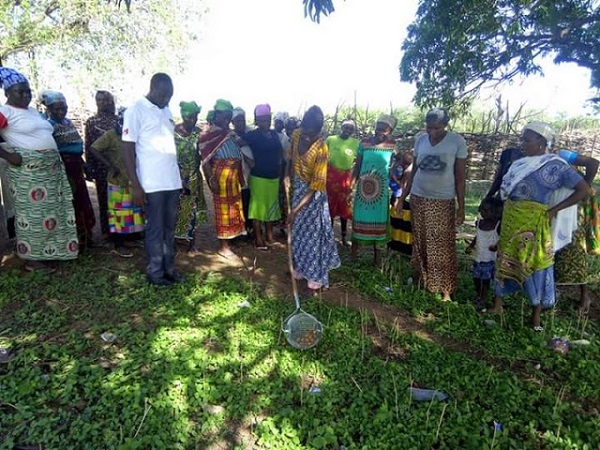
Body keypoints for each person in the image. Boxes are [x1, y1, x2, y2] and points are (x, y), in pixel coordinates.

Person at [488, 121, 589, 330]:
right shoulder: (519, 164)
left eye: (527, 139)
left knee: (536, 262)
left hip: (535, 221)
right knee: (505, 258)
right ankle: (497, 304)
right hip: (512, 217)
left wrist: (553, 210)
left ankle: (536, 313)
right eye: (523, 139)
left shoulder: (556, 164)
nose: (523, 143)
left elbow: (583, 190)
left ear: (542, 142)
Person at [0, 67, 78, 272]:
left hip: (50, 172)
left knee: (51, 212)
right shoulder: (4, 111)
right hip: (28, 173)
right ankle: (32, 259)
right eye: (20, 91)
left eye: (28, 91)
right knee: (32, 215)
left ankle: (52, 252)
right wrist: (8, 156)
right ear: (7, 93)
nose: (26, 95)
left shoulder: (33, 112)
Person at [122, 73, 183, 286]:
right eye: (164, 95)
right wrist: (135, 185)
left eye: (170, 97)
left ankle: (169, 268)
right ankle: (155, 273)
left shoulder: (165, 110)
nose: (167, 100)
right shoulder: (135, 110)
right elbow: (128, 150)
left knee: (169, 229)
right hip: (152, 183)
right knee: (155, 230)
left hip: (172, 182)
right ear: (153, 88)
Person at [405, 108, 467, 301]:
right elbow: (413, 171)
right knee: (421, 240)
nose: (431, 131)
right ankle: (421, 279)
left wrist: (462, 207)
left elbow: (460, 177)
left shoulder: (456, 142)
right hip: (418, 196)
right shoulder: (421, 140)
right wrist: (402, 198)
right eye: (428, 127)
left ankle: (446, 289)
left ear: (445, 125)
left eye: (436, 127)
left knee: (441, 243)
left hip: (442, 200)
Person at [287, 105, 340, 292]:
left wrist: (295, 210)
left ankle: (315, 274)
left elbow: (315, 186)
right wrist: (287, 177)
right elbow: (290, 160)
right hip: (297, 189)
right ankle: (300, 267)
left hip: (313, 197)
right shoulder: (295, 135)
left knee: (313, 234)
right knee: (299, 233)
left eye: (313, 134)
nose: (308, 137)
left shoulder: (322, 149)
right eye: (306, 133)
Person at [43, 90, 96, 250]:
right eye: (56, 108)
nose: (60, 111)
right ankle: (73, 243)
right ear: (49, 109)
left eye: (63, 107)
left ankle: (86, 238)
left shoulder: (68, 123)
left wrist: (83, 164)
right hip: (62, 168)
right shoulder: (48, 126)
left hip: (76, 167)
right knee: (69, 202)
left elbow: (76, 148)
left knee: (82, 200)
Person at [90, 107, 144, 258]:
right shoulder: (111, 135)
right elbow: (94, 148)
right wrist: (110, 165)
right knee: (118, 214)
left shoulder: (136, 135)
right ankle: (118, 244)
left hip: (132, 180)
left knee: (131, 212)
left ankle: (128, 239)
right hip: (117, 180)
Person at [198, 99, 246, 258]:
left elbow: (242, 145)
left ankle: (229, 242)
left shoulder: (229, 134)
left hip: (232, 179)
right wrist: (211, 180)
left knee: (233, 210)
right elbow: (205, 161)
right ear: (217, 115)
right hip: (220, 178)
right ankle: (223, 247)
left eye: (228, 118)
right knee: (223, 211)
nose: (226, 121)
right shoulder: (208, 135)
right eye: (224, 117)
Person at [554, 149, 599, 313]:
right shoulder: (536, 160)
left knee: (575, 248)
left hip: (574, 206)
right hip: (556, 205)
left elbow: (593, 163)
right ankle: (552, 292)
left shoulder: (562, 155)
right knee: (552, 246)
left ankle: (584, 297)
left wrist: (585, 186)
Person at [350, 114, 397, 265]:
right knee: (359, 218)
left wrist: (395, 172)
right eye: (378, 128)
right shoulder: (364, 143)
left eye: (384, 130)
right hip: (363, 190)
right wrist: (351, 186)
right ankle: (354, 255)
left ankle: (376, 260)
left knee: (379, 222)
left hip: (381, 192)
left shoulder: (393, 145)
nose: (380, 132)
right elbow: (357, 166)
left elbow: (406, 161)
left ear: (390, 131)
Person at [244, 104, 283, 249]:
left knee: (271, 208)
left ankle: (270, 237)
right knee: (258, 208)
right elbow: (237, 143)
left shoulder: (274, 134)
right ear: (256, 120)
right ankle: (258, 238)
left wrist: (279, 164)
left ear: (270, 119)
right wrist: (248, 159)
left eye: (266, 119)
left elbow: (279, 150)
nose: (264, 122)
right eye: (261, 120)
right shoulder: (252, 135)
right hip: (258, 177)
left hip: (274, 176)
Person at [84, 90, 118, 236]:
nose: (102, 102)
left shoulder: (118, 120)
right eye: (99, 100)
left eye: (105, 100)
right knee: (103, 197)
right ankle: (107, 231)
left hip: (118, 165)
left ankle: (121, 229)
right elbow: (89, 145)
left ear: (111, 101)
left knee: (119, 197)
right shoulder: (91, 122)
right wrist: (89, 166)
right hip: (100, 165)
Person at [174, 100, 206, 252]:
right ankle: (176, 240)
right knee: (176, 208)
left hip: (193, 177)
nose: (192, 120)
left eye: (195, 117)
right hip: (175, 176)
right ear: (183, 116)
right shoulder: (173, 132)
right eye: (189, 117)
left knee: (193, 210)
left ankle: (192, 242)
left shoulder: (199, 133)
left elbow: (203, 155)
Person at [326, 119, 360, 246]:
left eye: (351, 129)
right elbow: (323, 157)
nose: (348, 131)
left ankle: (344, 237)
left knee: (344, 208)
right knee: (329, 207)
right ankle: (328, 237)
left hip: (345, 178)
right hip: (330, 177)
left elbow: (358, 163)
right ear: (342, 127)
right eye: (346, 127)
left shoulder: (356, 143)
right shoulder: (331, 139)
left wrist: (353, 181)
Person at [465, 197, 502, 310]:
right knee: (476, 278)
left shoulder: (498, 225)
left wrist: (497, 247)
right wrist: (471, 246)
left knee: (485, 281)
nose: (483, 213)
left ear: (494, 212)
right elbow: (478, 236)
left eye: (486, 210)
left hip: (489, 260)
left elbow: (503, 239)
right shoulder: (479, 223)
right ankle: (479, 295)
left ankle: (483, 299)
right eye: (481, 210)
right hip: (478, 258)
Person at [231, 107, 254, 236]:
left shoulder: (251, 133)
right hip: (238, 175)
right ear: (233, 122)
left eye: (242, 120)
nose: (241, 123)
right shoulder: (231, 135)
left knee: (250, 201)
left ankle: (250, 228)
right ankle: (241, 229)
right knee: (240, 202)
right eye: (237, 121)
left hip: (253, 174)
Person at [388, 151, 414, 256]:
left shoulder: (409, 171)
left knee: (403, 225)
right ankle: (400, 247)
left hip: (404, 201)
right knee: (399, 224)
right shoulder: (404, 170)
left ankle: (402, 248)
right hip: (402, 200)